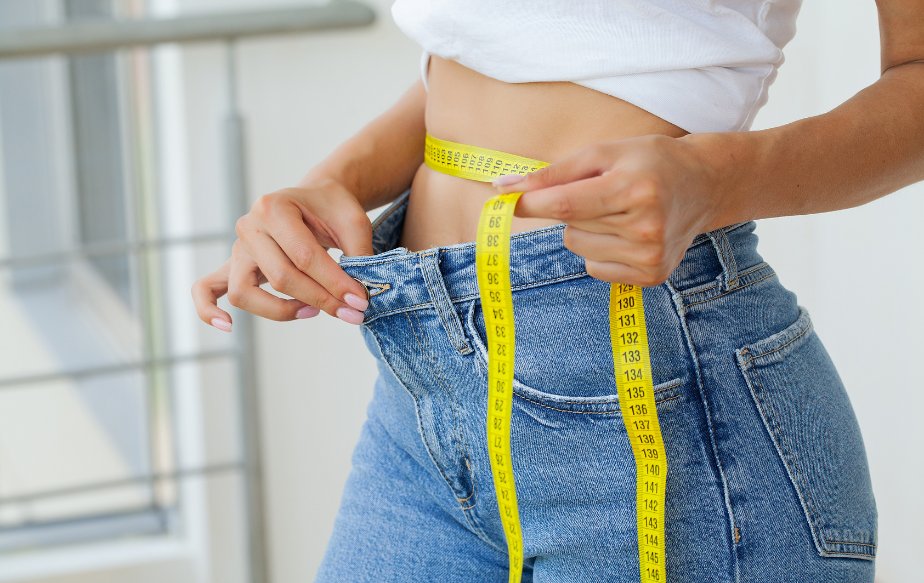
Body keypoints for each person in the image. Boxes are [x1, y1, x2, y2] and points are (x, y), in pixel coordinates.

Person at [192, 1, 924, 581]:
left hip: (660, 394)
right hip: (422, 393)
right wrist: (336, 182)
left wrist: (717, 178)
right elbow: (498, 49)